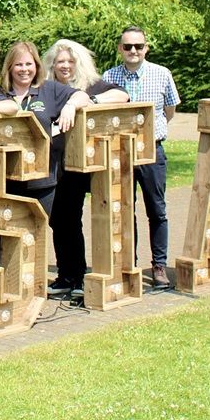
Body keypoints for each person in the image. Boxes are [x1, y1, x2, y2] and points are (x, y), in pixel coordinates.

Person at [0, 41, 94, 231]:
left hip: (41, 181)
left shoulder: (50, 89)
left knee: (34, 233)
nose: (24, 69)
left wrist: (70, 106)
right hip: (3, 180)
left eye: (29, 64)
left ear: (36, 66)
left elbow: (83, 96)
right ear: (10, 67)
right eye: (19, 64)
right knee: (5, 235)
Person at [42, 39, 129, 297]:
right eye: (60, 62)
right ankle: (65, 275)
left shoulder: (93, 85)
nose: (65, 66)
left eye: (70, 61)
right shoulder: (49, 89)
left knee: (72, 218)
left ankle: (77, 275)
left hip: (81, 166)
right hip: (54, 164)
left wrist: (85, 101)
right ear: (52, 65)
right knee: (58, 220)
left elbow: (121, 95)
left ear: (79, 63)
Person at [101, 25, 180, 288]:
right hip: (119, 153)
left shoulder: (162, 74)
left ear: (146, 47)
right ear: (119, 49)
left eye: (138, 46)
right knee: (124, 210)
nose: (133, 51)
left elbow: (169, 110)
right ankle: (129, 264)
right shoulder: (109, 76)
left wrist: (153, 133)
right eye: (127, 46)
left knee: (157, 210)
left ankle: (159, 265)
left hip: (152, 150)